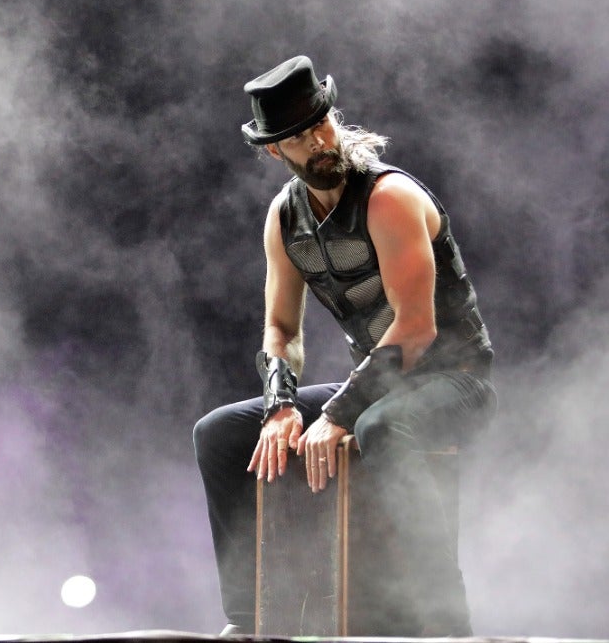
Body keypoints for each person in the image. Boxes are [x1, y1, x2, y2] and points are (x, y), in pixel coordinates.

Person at [192, 56, 496, 636]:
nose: (318, 142)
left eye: (321, 124)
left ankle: (446, 626)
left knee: (383, 426)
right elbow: (281, 329)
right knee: (221, 432)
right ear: (274, 151)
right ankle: (248, 619)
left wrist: (336, 415)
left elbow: (416, 328)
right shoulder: (285, 220)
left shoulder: (388, 197)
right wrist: (280, 406)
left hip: (455, 380)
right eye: (298, 137)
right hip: (380, 387)